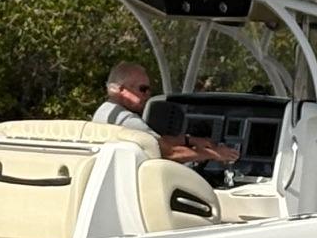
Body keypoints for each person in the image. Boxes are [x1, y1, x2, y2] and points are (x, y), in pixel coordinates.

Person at [92, 62, 239, 166]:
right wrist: (215, 154)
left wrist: (190, 140)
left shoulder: (104, 111)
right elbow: (170, 153)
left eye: (149, 90)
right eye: (143, 89)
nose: (148, 94)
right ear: (121, 90)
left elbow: (155, 141)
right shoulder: (126, 120)